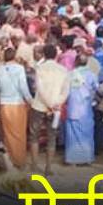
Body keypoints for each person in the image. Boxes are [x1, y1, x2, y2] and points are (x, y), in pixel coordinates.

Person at [29, 44, 70, 174]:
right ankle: (48, 167)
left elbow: (39, 89)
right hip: (55, 108)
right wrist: (56, 104)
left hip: (39, 106)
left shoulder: (39, 69)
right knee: (51, 137)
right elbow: (66, 91)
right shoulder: (63, 70)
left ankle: (35, 165)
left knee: (34, 136)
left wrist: (48, 103)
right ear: (56, 55)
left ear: (44, 55)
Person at [0, 47, 32, 169]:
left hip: (4, 104)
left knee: (7, 134)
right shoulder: (20, 69)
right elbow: (23, 87)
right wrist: (30, 101)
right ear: (14, 57)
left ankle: (9, 159)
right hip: (18, 104)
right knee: (20, 134)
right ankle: (19, 160)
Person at [63, 53, 99, 166]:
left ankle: (72, 159)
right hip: (86, 109)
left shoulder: (70, 74)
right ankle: (87, 158)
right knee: (86, 133)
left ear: (76, 62)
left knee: (72, 134)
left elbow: (65, 90)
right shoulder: (92, 75)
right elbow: (96, 88)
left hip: (73, 107)